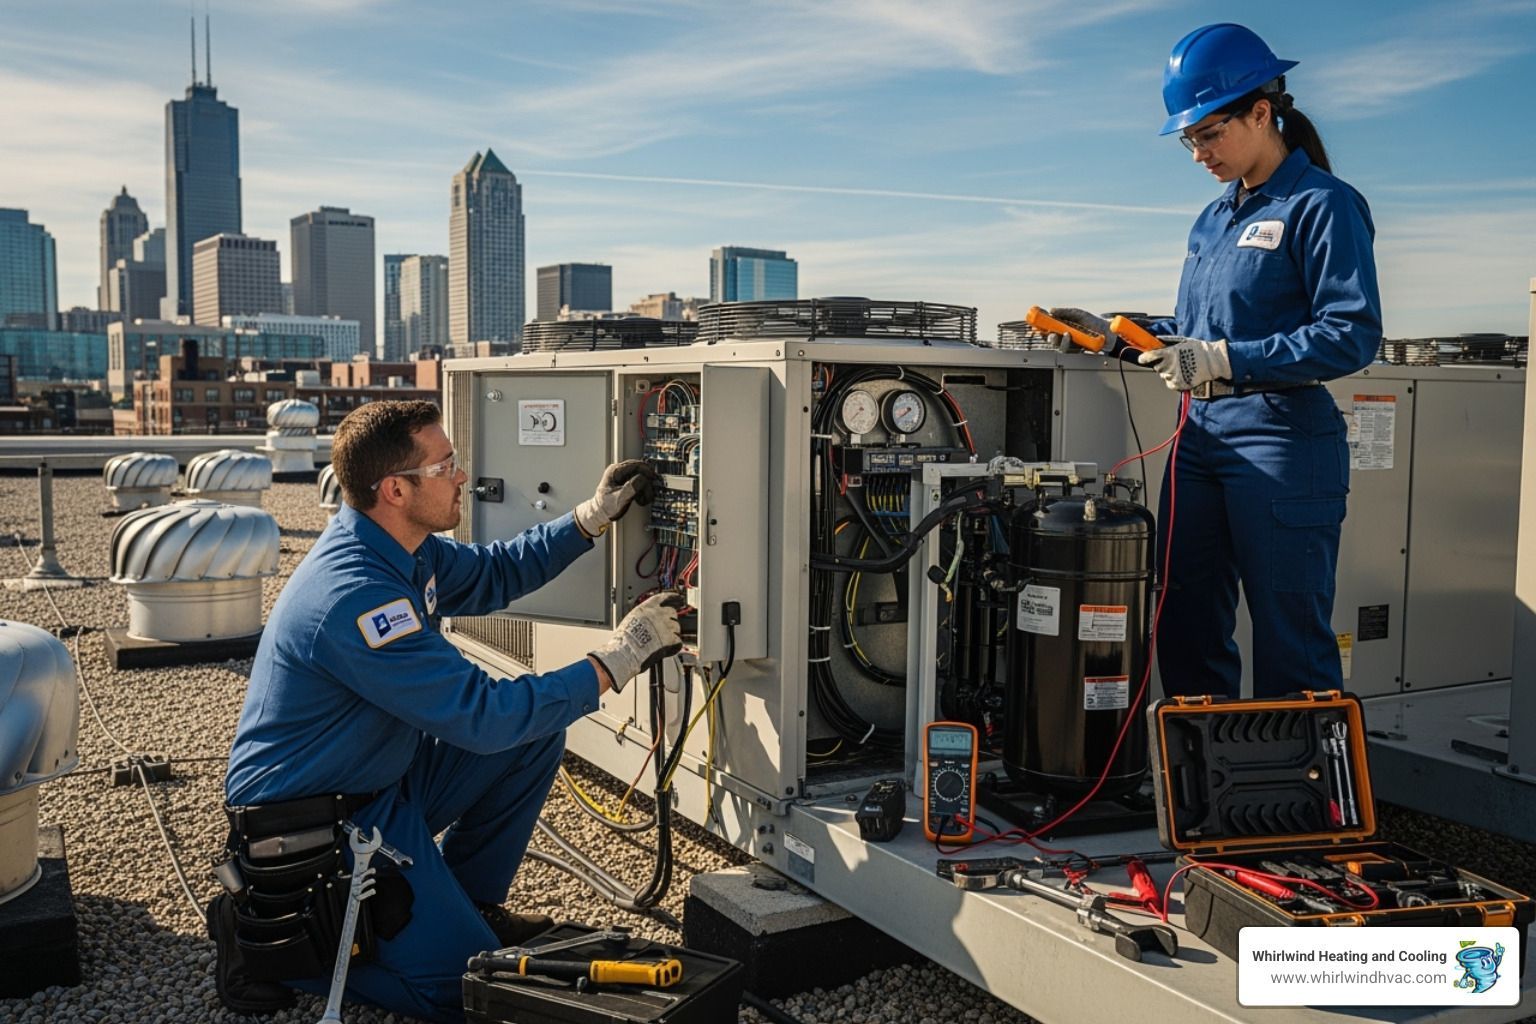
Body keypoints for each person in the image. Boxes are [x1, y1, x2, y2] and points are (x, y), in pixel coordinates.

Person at [208, 399, 682, 1022]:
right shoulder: (356, 595)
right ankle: (268, 940)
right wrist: (618, 659)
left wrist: (589, 519)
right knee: (465, 990)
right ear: (396, 490)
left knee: (534, 736)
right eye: (445, 466)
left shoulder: (402, 549)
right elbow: (484, 717)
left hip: (377, 783)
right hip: (313, 826)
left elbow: (495, 572)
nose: (461, 476)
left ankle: (468, 905)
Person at [1055, 23, 1381, 699]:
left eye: (1209, 133)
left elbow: (1350, 334)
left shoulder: (1323, 205)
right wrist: (1117, 335)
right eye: (1189, 140)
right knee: (1187, 622)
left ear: (1261, 113)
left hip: (1280, 439)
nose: (1199, 152)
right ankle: (1205, 768)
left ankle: (1300, 771)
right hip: (1198, 440)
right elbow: (1198, 334)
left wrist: (1223, 359)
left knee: (1291, 638)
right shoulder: (1213, 219)